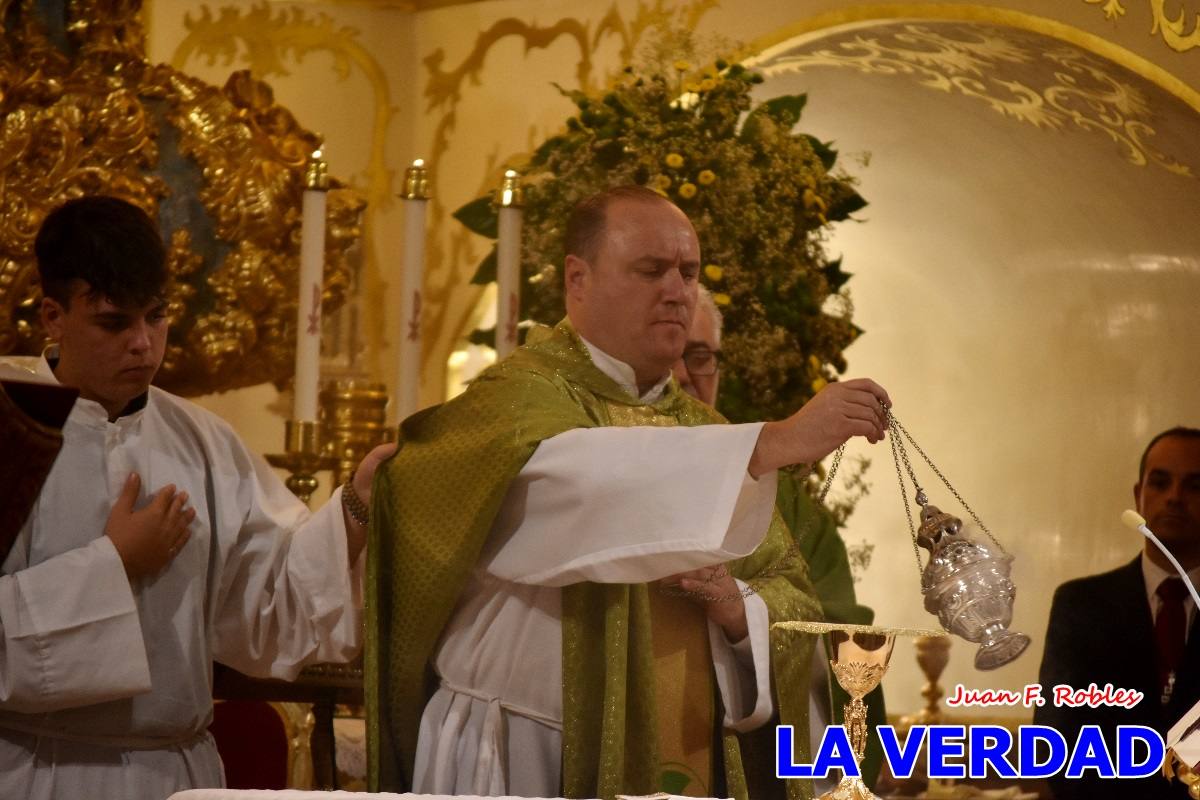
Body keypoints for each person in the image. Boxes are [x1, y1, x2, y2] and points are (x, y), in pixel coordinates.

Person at [367, 185, 891, 800]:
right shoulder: (513, 403)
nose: (677, 290)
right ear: (577, 278)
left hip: (690, 757)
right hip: (520, 757)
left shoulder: (705, 434)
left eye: (688, 271)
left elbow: (790, 595)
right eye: (650, 270)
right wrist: (771, 443)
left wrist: (739, 610)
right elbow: (575, 489)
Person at [0, 195, 395, 800]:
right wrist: (116, 564)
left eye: (156, 317)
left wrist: (356, 507)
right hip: (33, 769)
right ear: (54, 316)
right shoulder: (10, 422)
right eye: (114, 323)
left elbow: (270, 605)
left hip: (173, 773)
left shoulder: (204, 441)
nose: (144, 344)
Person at [671, 286, 885, 794]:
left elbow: (842, 648)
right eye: (667, 357)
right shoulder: (598, 478)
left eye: (699, 357)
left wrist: (743, 615)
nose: (681, 376)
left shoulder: (790, 509)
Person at [1035, 427, 1200, 799]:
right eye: (1160, 483)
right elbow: (1054, 744)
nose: (1174, 498)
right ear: (1139, 497)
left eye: (1194, 486)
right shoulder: (1080, 605)